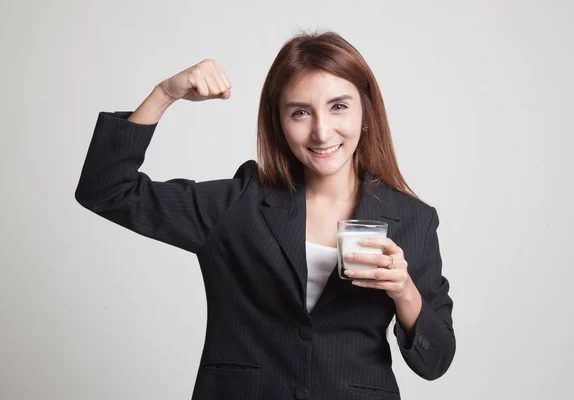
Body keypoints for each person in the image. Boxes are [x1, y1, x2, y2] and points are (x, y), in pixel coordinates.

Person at [75, 31, 456, 400]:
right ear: (279, 122)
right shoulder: (238, 204)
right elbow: (107, 190)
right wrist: (164, 94)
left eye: (338, 106)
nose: (322, 132)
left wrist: (404, 290)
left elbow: (435, 360)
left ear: (365, 111)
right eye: (300, 112)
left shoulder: (413, 219)